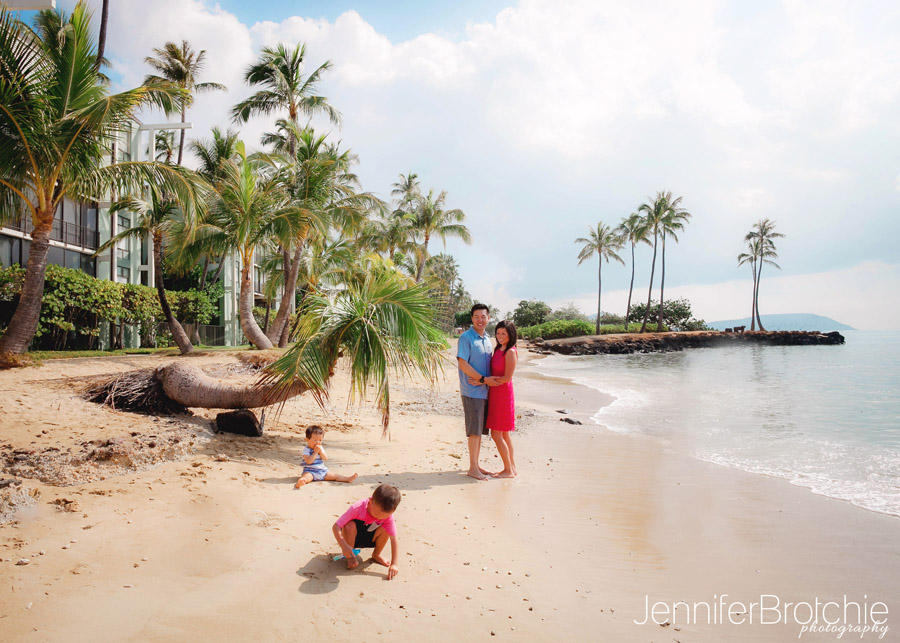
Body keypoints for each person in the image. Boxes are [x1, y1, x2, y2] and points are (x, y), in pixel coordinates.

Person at [456, 303, 495, 480]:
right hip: (472, 391)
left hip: (485, 391)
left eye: (483, 316)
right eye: (476, 316)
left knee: (480, 430)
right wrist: (481, 379)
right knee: (474, 431)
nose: (480, 319)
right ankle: (472, 468)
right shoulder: (466, 337)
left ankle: (476, 464)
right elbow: (463, 363)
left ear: (488, 318)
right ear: (472, 318)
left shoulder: (487, 338)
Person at [332, 483, 402, 579]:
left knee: (386, 529)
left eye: (384, 516)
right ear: (370, 501)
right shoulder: (357, 508)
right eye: (377, 513)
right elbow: (336, 527)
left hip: (371, 538)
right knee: (349, 525)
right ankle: (351, 557)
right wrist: (343, 545)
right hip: (352, 539)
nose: (379, 517)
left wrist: (394, 564)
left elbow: (394, 539)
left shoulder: (388, 517)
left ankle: (376, 554)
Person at [481, 320, 518, 478]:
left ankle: (508, 470)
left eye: (504, 333)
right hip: (495, 393)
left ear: (511, 335)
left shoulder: (510, 352)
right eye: (498, 333)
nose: (500, 336)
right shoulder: (498, 349)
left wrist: (485, 380)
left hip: (502, 394)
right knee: (504, 435)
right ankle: (512, 467)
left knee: (497, 434)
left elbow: (507, 378)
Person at [294, 426, 358, 489]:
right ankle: (301, 482)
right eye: (315, 440)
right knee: (307, 476)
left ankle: (347, 479)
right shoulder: (306, 450)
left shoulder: (320, 448)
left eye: (320, 440)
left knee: (335, 476)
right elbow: (309, 461)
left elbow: (325, 458)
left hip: (322, 471)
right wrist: (315, 452)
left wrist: (321, 452)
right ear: (307, 440)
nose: (318, 442)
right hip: (310, 471)